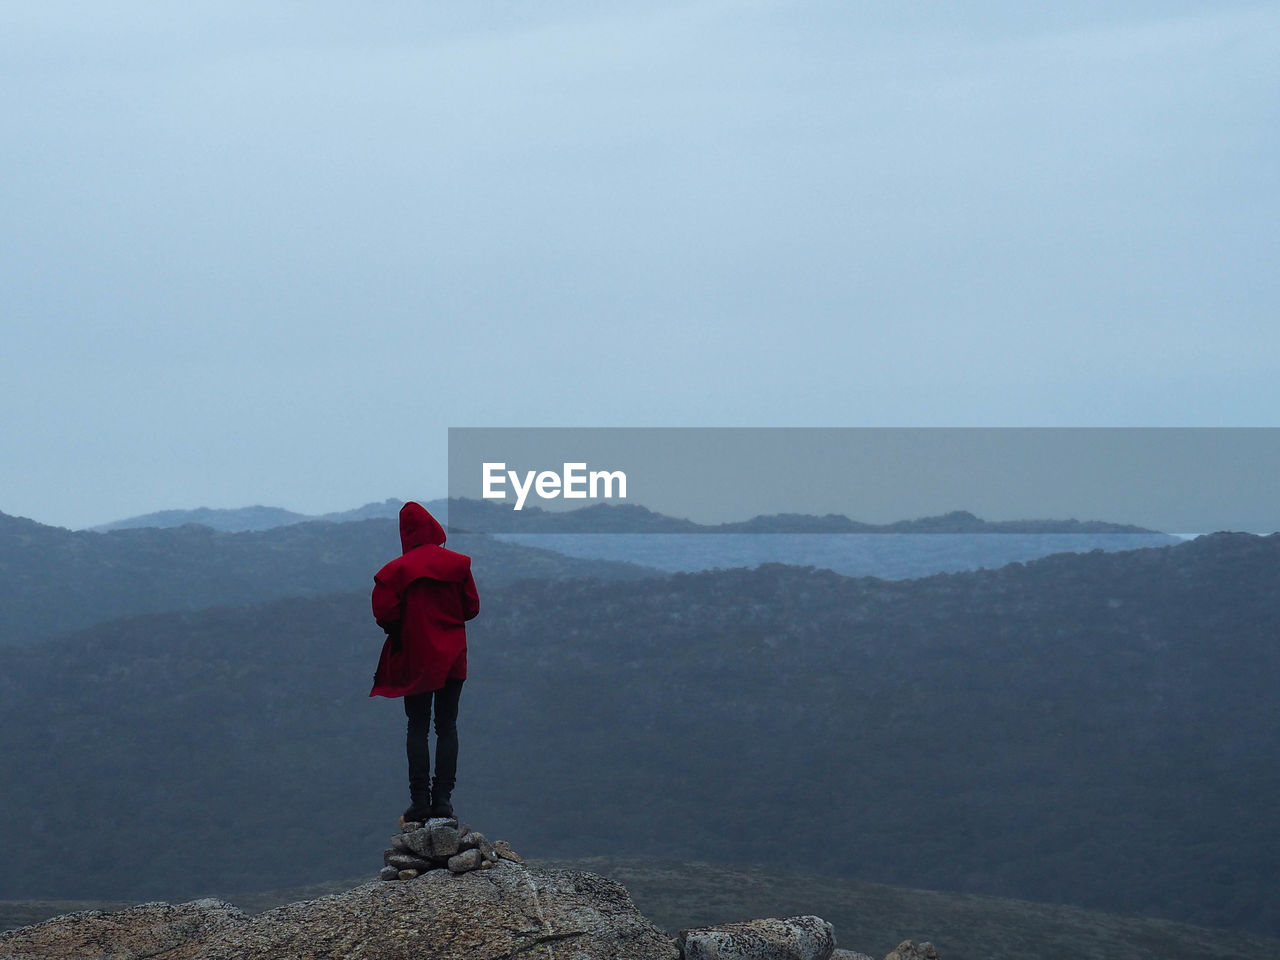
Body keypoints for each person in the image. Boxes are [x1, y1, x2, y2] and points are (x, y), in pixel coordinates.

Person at [369, 501, 480, 824]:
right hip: (453, 658)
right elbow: (471, 608)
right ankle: (443, 800)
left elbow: (384, 613)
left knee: (417, 726)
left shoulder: (394, 572)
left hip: (416, 659)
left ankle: (419, 802)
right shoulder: (459, 565)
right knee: (447, 726)